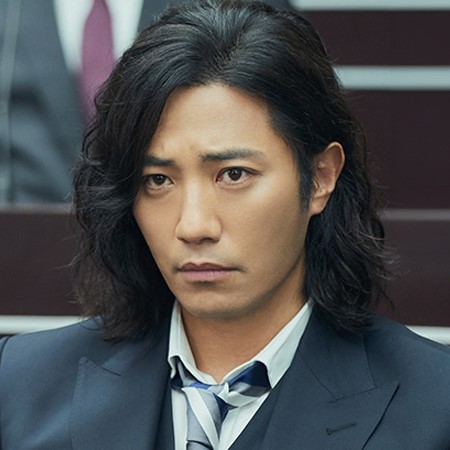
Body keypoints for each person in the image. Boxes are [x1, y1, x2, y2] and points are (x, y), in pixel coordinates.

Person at [1, 1, 449, 449]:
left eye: (233, 174)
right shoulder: (21, 385)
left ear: (321, 177)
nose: (194, 225)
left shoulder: (433, 406)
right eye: (158, 180)